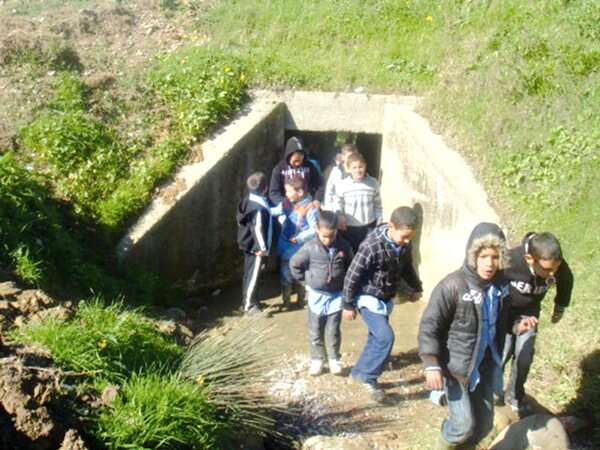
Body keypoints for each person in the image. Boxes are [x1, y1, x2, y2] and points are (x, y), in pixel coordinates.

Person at [418, 222, 517, 450]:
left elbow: (502, 320)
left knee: (483, 426)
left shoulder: (501, 287)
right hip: (456, 368)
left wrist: (517, 324)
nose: (489, 263)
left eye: (495, 257)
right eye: (483, 257)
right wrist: (431, 363)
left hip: (485, 365)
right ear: (473, 256)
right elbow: (430, 325)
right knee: (462, 426)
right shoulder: (453, 285)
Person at [343, 206, 423, 402]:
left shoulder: (404, 245)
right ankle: (369, 378)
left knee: (376, 338)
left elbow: (407, 268)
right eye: (404, 237)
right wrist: (348, 304)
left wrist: (415, 287)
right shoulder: (371, 246)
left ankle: (358, 373)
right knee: (386, 337)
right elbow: (352, 275)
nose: (407, 241)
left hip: (385, 298)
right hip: (367, 297)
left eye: (410, 238)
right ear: (391, 226)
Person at [500, 232, 574, 414]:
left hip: (529, 314)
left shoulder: (556, 266)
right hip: (504, 312)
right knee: (502, 353)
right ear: (529, 259)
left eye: (555, 269)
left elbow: (566, 281)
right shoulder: (510, 261)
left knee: (524, 356)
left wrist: (560, 307)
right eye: (547, 270)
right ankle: (489, 390)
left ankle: (515, 395)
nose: (552, 274)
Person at [290, 211, 354, 376]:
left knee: (333, 329)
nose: (328, 240)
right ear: (317, 229)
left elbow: (351, 267)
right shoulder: (310, 248)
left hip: (336, 296)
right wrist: (305, 283)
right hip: (316, 295)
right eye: (324, 236)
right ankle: (317, 359)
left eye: (331, 236)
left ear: (336, 231)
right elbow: (294, 264)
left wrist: (348, 291)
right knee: (315, 329)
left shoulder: (344, 246)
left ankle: (333, 359)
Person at [276, 176, 319, 309]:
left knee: (301, 273)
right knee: (285, 274)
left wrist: (299, 238)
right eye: (286, 191)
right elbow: (275, 211)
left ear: (300, 192)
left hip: (300, 248)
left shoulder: (310, 208)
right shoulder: (286, 203)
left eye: (289, 191)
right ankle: (286, 302)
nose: (286, 194)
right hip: (285, 247)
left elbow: (314, 229)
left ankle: (301, 300)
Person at [236, 172, 273, 314]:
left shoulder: (248, 200)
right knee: (253, 275)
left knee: (249, 273)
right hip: (255, 248)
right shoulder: (258, 208)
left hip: (248, 244)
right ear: (265, 188)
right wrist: (261, 248)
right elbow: (257, 228)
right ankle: (249, 305)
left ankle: (250, 300)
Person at [331, 152, 383, 252]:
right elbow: (338, 202)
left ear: (365, 166)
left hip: (369, 226)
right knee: (350, 253)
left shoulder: (373, 183)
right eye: (354, 168)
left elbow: (378, 205)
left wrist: (379, 223)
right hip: (349, 227)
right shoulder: (342, 185)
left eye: (360, 167)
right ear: (349, 169)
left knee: (367, 252)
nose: (358, 170)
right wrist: (339, 215)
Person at [269, 136, 324, 206]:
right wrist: (286, 205)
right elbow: (273, 193)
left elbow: (320, 185)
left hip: (307, 205)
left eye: (301, 160)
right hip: (286, 206)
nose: (298, 163)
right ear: (288, 156)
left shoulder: (310, 166)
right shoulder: (279, 169)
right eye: (295, 161)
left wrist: (317, 199)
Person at [323, 143, 357, 210]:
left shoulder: (357, 172)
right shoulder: (336, 171)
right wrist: (328, 207)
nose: (351, 159)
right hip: (337, 208)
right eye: (349, 156)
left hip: (352, 208)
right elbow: (329, 190)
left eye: (354, 156)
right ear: (343, 157)